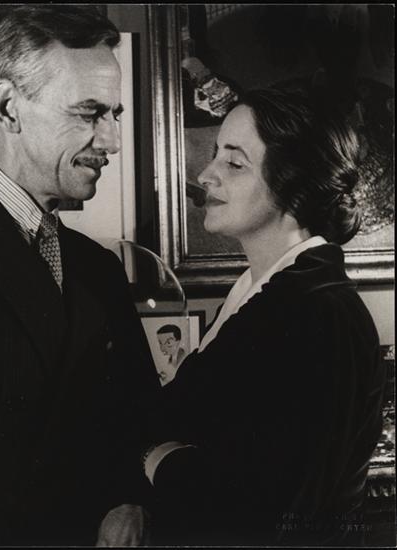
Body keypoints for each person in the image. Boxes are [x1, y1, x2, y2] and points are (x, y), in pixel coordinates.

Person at [116, 89, 387, 546]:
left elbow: (262, 515)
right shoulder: (262, 292)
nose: (206, 175)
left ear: (294, 186)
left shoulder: (318, 315)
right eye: (214, 154)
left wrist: (153, 454)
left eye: (234, 163)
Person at [0, 5, 160, 546]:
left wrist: (129, 500)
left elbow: (140, 418)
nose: (113, 141)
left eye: (114, 114)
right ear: (8, 108)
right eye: (89, 113)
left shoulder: (98, 267)